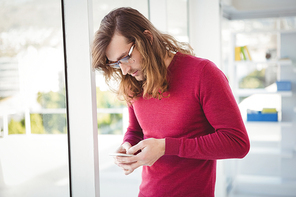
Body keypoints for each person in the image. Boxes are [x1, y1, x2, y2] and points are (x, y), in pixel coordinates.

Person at [92, 7, 250, 197]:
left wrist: (166, 147)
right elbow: (136, 131)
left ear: (147, 39)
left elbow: (237, 143)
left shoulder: (203, 73)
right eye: (116, 63)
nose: (124, 70)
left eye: (126, 57)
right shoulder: (133, 82)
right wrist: (128, 146)